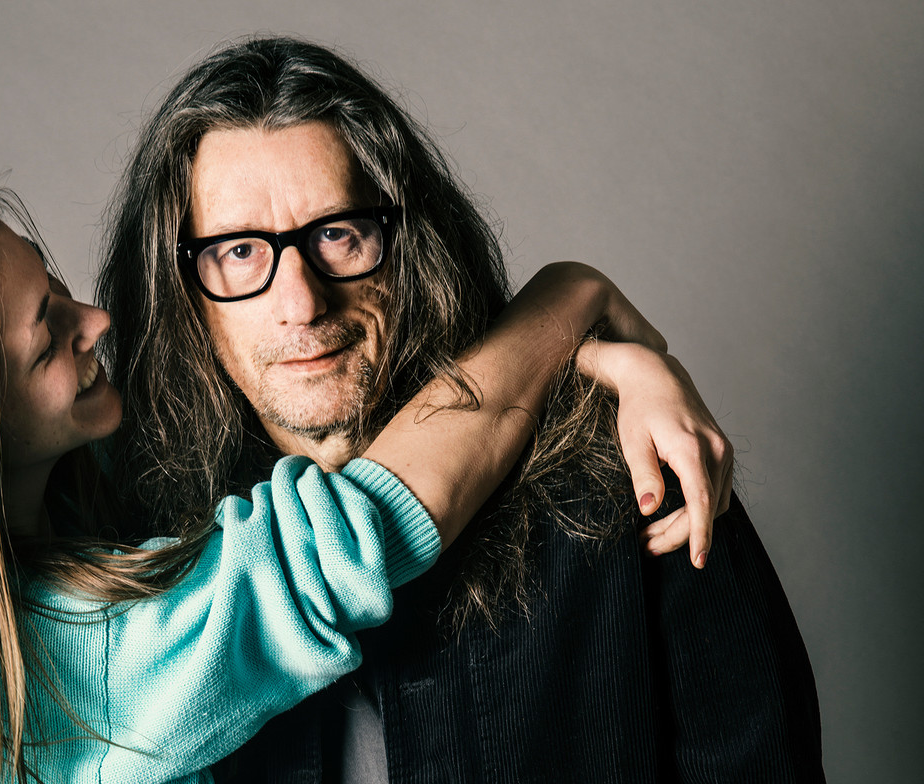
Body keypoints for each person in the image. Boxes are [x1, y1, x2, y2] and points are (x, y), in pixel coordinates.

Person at [0, 176, 721, 784]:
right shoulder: (78, 671)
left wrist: (594, 368)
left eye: (60, 289)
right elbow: (350, 533)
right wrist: (568, 296)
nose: (95, 322)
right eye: (48, 338)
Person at [98, 36, 825, 781]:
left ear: (410, 246)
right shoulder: (131, 553)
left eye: (338, 235)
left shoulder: (628, 467)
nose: (301, 303)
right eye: (240, 252)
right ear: (179, 288)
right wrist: (572, 297)